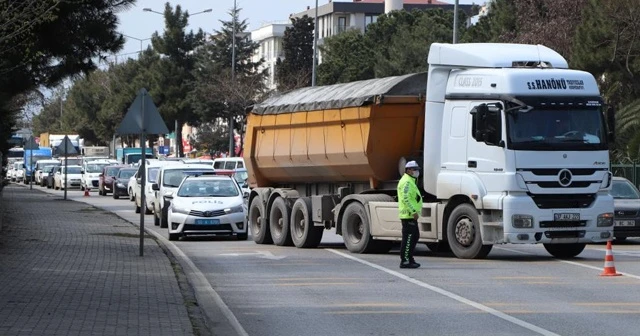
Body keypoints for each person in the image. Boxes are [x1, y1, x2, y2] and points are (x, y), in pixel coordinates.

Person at [397, 160, 423, 269]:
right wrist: (413, 211)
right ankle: (405, 260)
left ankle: (409, 258)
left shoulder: (411, 180)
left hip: (410, 215)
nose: (416, 172)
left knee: (414, 236)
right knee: (408, 238)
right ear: (408, 170)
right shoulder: (407, 182)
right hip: (408, 215)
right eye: (414, 169)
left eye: (417, 169)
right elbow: (406, 198)